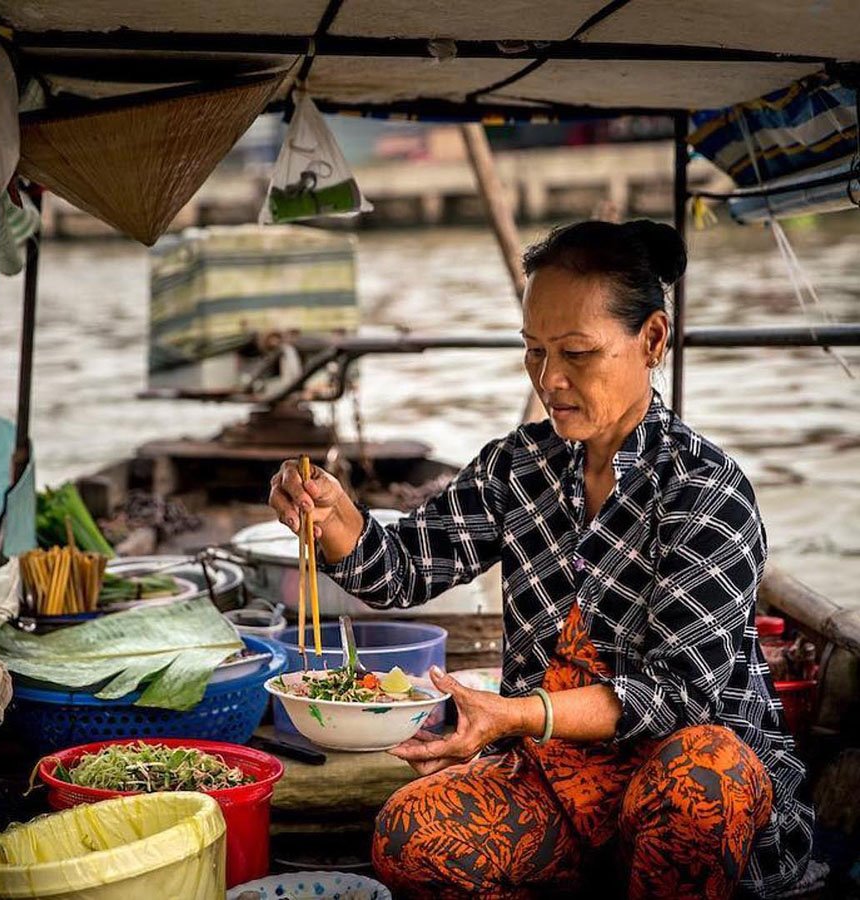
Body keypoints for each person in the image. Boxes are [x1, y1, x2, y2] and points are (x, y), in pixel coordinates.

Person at [269, 220, 813, 899]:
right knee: (409, 836)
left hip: (682, 794)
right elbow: (403, 567)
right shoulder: (518, 465)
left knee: (708, 774)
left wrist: (518, 713)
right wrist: (338, 520)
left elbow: (681, 700)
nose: (550, 379)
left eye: (577, 353)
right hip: (553, 783)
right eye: (534, 352)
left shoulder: (706, 489)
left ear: (651, 340)